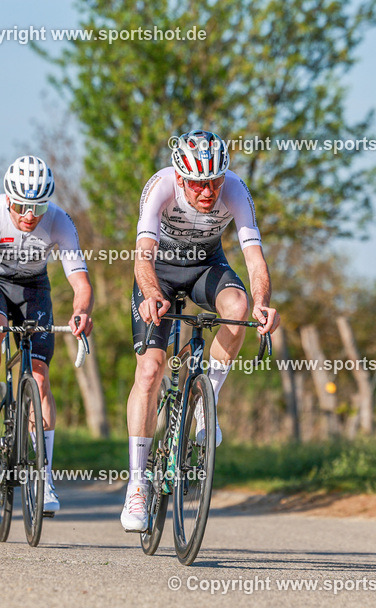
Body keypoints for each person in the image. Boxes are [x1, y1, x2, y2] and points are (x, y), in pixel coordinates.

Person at [121, 129, 280, 532]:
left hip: (205, 267)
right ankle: (138, 484)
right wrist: (152, 294)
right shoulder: (159, 187)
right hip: (158, 273)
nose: (208, 192)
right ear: (179, 178)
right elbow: (142, 258)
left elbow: (254, 259)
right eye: (197, 183)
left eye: (214, 181)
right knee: (150, 371)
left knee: (238, 306)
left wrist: (262, 302)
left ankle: (206, 404)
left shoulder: (236, 191)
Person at [0, 155, 93, 515]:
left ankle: (44, 478)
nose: (29, 215)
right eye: (21, 206)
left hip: (35, 288)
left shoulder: (59, 221)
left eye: (37, 207)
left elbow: (79, 280)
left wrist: (81, 312)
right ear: (8, 199)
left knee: (39, 375)